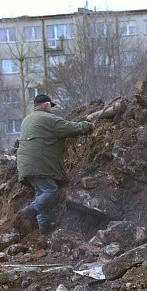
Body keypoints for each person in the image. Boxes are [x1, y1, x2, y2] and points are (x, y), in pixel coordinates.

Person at [15, 93, 94, 235]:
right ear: (46, 105)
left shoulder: (27, 119)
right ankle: (30, 210)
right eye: (50, 106)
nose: (51, 109)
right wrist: (87, 125)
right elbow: (71, 128)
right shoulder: (49, 119)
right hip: (39, 163)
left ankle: (44, 227)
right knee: (50, 191)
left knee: (41, 193)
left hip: (25, 165)